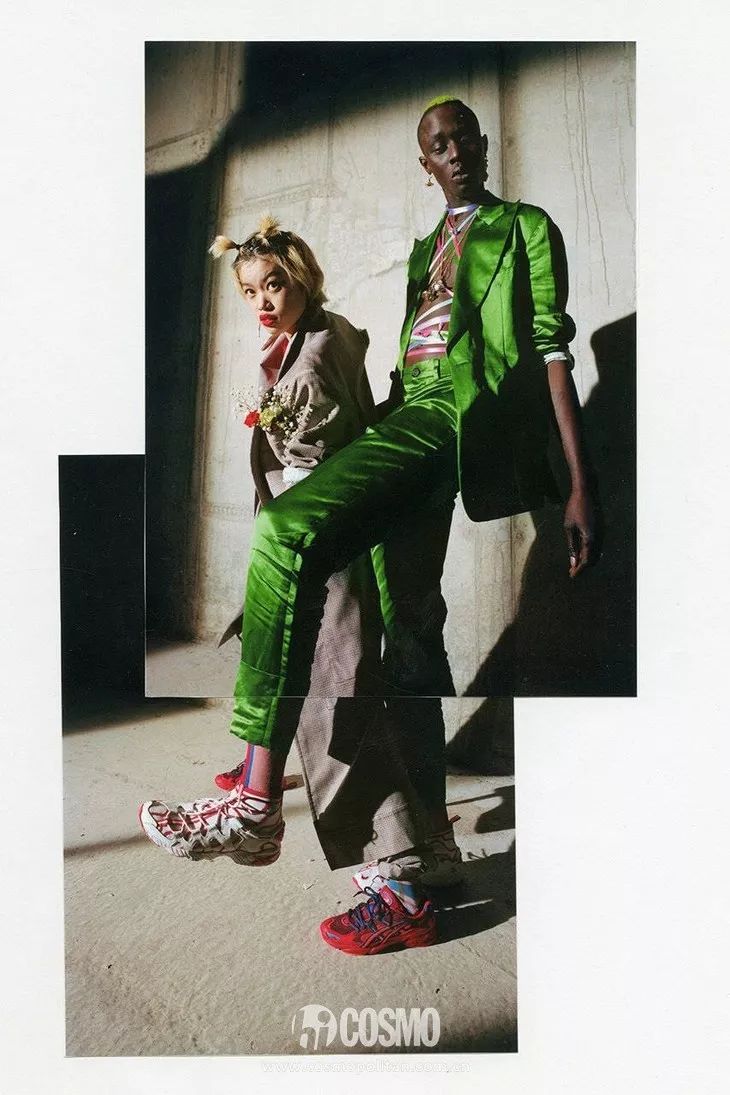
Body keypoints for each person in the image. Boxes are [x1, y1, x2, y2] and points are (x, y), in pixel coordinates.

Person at [140, 97, 598, 956]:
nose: (454, 151)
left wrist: (579, 482)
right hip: (405, 415)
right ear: (425, 165)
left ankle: (254, 795)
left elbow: (549, 346)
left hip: (454, 415)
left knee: (286, 537)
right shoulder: (425, 250)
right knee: (409, 635)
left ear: (483, 145)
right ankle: (429, 855)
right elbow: (407, 354)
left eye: (463, 137)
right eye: (437, 145)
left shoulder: (525, 227)